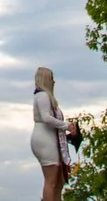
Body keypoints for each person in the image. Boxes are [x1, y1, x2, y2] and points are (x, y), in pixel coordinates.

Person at [30, 67, 69, 201]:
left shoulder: (45, 97)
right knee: (51, 180)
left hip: (50, 138)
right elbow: (46, 118)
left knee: (59, 180)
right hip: (45, 139)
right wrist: (66, 125)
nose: (54, 81)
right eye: (51, 78)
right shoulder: (42, 95)